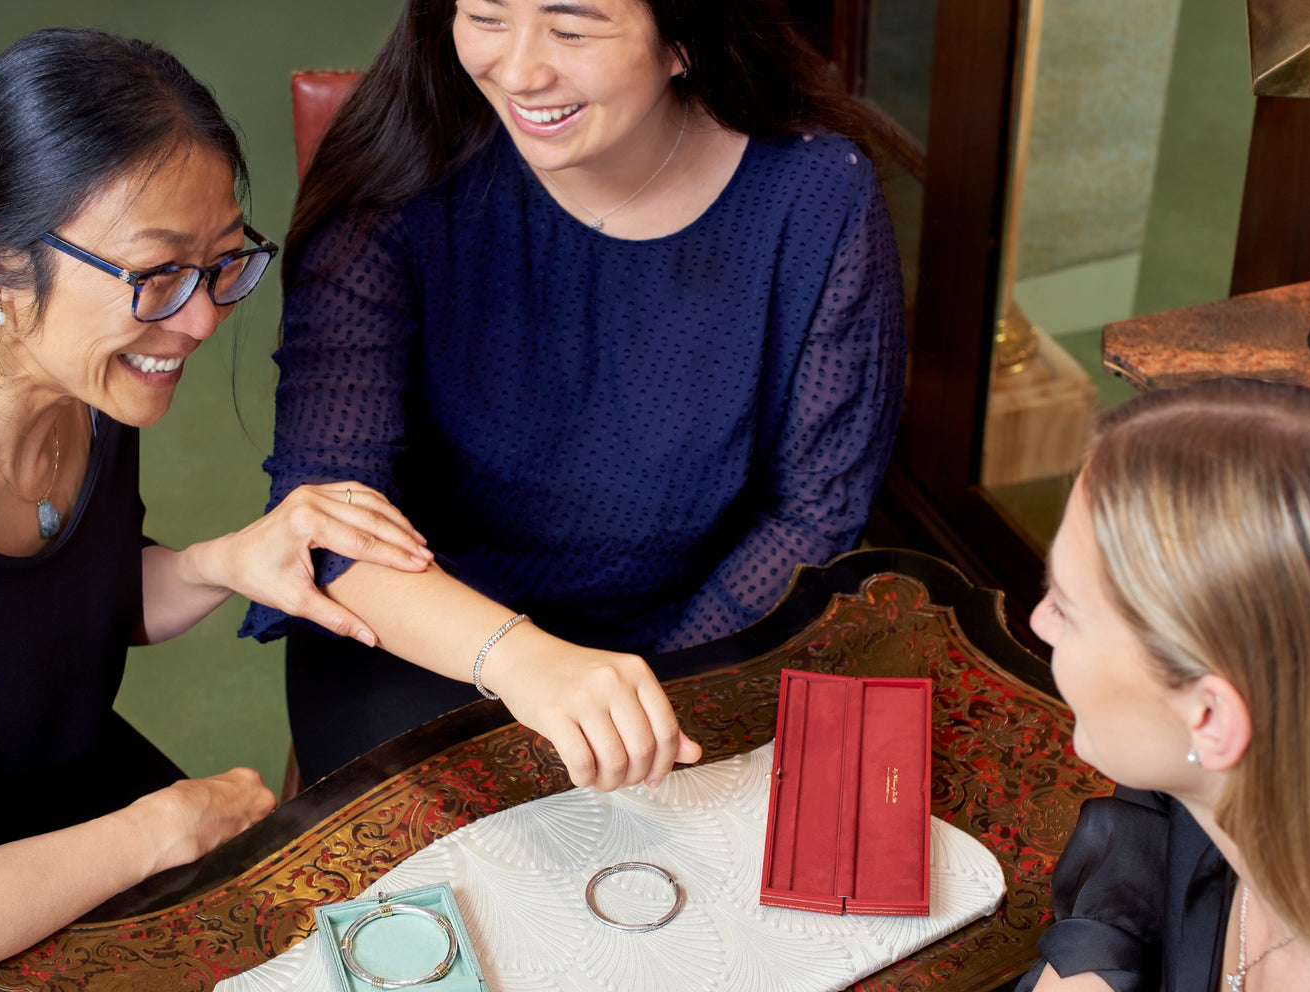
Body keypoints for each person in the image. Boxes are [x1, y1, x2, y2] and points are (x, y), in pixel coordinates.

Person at [0, 28, 685, 992]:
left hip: (68, 800)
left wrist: (224, 562)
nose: (197, 320)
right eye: (156, 274)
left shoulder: (83, 374)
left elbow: (41, 608)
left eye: (223, 262)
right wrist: (162, 830)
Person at [244, 0, 908, 783]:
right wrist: (525, 661)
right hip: (426, 634)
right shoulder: (398, 174)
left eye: (571, 28)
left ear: (683, 41)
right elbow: (329, 518)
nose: (520, 70)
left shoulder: (815, 196)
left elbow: (809, 511)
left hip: (704, 635)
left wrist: (649, 688)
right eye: (485, 17)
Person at [979, 379, 1310, 992]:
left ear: (1209, 717)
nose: (1038, 622)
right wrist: (1084, 981)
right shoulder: (1272, 764)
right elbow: (1153, 809)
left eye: (1068, 605)